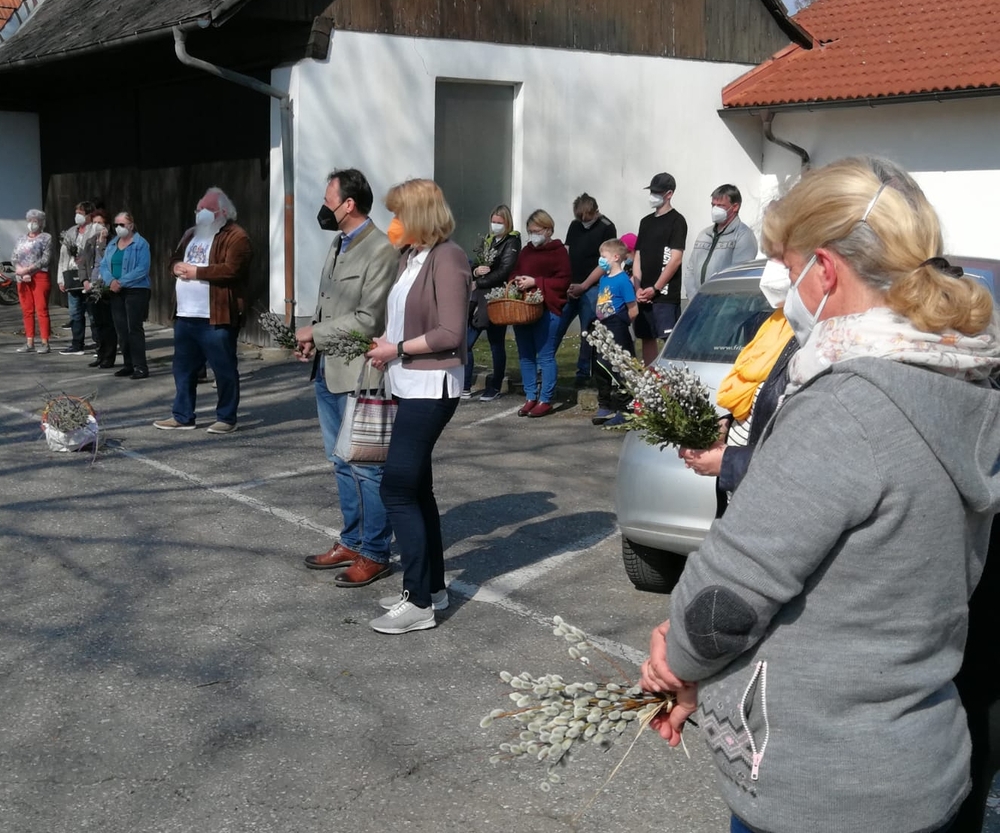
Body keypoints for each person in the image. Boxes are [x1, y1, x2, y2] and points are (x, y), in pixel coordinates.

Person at [640, 156, 1000, 833]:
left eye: (787, 262)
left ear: (825, 270)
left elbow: (728, 595)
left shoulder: (847, 407)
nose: (783, 282)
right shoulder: (958, 382)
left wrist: (678, 660)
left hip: (822, 787)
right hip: (920, 765)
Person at [365, 178, 470, 634]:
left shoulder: (448, 257)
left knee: (396, 488)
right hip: (408, 382)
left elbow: (450, 333)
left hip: (432, 386)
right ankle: (433, 588)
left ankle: (418, 604)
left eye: (398, 214)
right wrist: (386, 344)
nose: (393, 222)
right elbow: (403, 318)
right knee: (417, 488)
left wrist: (398, 348)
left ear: (419, 216)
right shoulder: (411, 256)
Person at [294, 168, 398, 586]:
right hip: (328, 370)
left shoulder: (380, 250)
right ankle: (352, 541)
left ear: (348, 204)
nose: (324, 207)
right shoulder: (338, 242)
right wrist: (314, 344)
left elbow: (369, 318)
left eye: (328, 200)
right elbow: (329, 304)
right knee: (340, 463)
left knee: (366, 467)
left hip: (359, 375)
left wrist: (315, 333)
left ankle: (375, 551)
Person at [678, 258, 797, 500]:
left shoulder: (819, 343)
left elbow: (803, 453)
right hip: (743, 489)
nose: (772, 268)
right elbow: (759, 396)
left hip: (775, 498)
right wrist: (725, 425)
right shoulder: (773, 323)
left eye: (784, 258)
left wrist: (729, 462)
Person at [154, 188, 251, 432]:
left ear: (223, 212)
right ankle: (182, 415)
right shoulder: (191, 234)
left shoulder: (236, 236)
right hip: (186, 315)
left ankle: (226, 418)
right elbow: (174, 258)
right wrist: (175, 267)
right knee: (183, 369)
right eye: (198, 209)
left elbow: (232, 269)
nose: (200, 213)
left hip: (216, 315)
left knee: (223, 369)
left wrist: (197, 272)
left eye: (206, 209)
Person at [510, 209, 571, 418]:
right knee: (526, 355)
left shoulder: (558, 252)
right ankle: (530, 396)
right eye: (530, 231)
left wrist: (536, 282)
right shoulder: (526, 251)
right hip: (524, 310)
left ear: (548, 230)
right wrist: (517, 280)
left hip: (547, 309)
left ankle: (545, 399)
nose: (533, 235)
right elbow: (514, 271)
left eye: (536, 231)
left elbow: (563, 281)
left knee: (545, 356)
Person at [556, 193, 617, 387]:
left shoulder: (607, 227)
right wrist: (565, 282)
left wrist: (584, 285)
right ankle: (543, 367)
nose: (584, 221)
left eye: (587, 217)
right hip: (570, 285)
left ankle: (583, 373)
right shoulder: (575, 226)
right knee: (556, 326)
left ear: (595, 212)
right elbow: (567, 252)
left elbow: (605, 263)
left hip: (592, 286)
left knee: (588, 332)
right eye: (580, 217)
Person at [465, 204, 521, 401]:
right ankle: (465, 385)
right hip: (478, 297)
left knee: (496, 343)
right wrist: (476, 271)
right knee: (466, 341)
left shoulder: (512, 241)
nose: (495, 225)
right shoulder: (489, 240)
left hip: (495, 297)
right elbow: (477, 263)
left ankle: (495, 385)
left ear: (507, 223)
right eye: (493, 222)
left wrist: (480, 282)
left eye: (499, 222)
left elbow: (505, 270)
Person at [633, 173, 687, 365]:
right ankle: (651, 376)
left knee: (669, 340)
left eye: (657, 192)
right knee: (647, 336)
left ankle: (673, 376)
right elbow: (638, 256)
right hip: (643, 293)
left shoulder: (677, 221)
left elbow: (675, 259)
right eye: (652, 191)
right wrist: (637, 287)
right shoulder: (645, 222)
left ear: (669, 194)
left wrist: (655, 288)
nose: (653, 196)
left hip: (664, 294)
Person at [682, 184, 759, 301]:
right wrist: (693, 297)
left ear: (735, 207)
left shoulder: (743, 235)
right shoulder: (704, 234)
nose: (715, 209)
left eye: (720, 206)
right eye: (713, 205)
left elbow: (738, 275)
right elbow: (690, 269)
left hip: (724, 304)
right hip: (697, 302)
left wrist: (721, 304)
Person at [591, 238, 638, 427]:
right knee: (601, 365)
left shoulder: (623, 281)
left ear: (616, 257)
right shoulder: (604, 278)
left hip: (617, 327)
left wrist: (622, 323)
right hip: (602, 327)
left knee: (621, 368)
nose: (601, 260)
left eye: (604, 256)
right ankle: (605, 404)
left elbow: (633, 309)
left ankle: (625, 410)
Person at [99, 211, 151, 379]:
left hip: (136, 290)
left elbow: (142, 269)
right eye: (116, 225)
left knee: (134, 328)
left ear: (131, 225)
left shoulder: (141, 244)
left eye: (121, 224)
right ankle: (128, 364)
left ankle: (140, 366)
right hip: (116, 291)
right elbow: (103, 265)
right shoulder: (112, 244)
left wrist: (120, 282)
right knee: (121, 330)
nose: (118, 228)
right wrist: (110, 281)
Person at [57, 200, 101, 356]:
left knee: (94, 313)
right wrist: (61, 279)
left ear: (89, 215)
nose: (77, 216)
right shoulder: (71, 232)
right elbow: (63, 256)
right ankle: (77, 344)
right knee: (75, 313)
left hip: (89, 276)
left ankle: (100, 344)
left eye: (81, 213)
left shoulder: (95, 229)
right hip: (72, 275)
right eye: (76, 213)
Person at [11, 209, 53, 354]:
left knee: (41, 309)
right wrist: (20, 270)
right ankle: (29, 342)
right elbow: (14, 257)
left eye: (35, 221)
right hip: (22, 277)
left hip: (39, 276)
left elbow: (45, 259)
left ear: (41, 223)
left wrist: (29, 270)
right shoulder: (21, 238)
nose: (32, 223)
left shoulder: (46, 237)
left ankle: (45, 342)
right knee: (26, 310)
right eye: (30, 220)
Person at [81, 209, 117, 369]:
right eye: (94, 223)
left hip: (105, 286)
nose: (96, 226)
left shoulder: (113, 241)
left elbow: (107, 260)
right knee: (96, 324)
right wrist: (84, 280)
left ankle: (109, 357)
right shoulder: (90, 241)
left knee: (108, 324)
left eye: (100, 223)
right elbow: (82, 263)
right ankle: (100, 354)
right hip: (91, 286)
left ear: (107, 225)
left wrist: (102, 242)